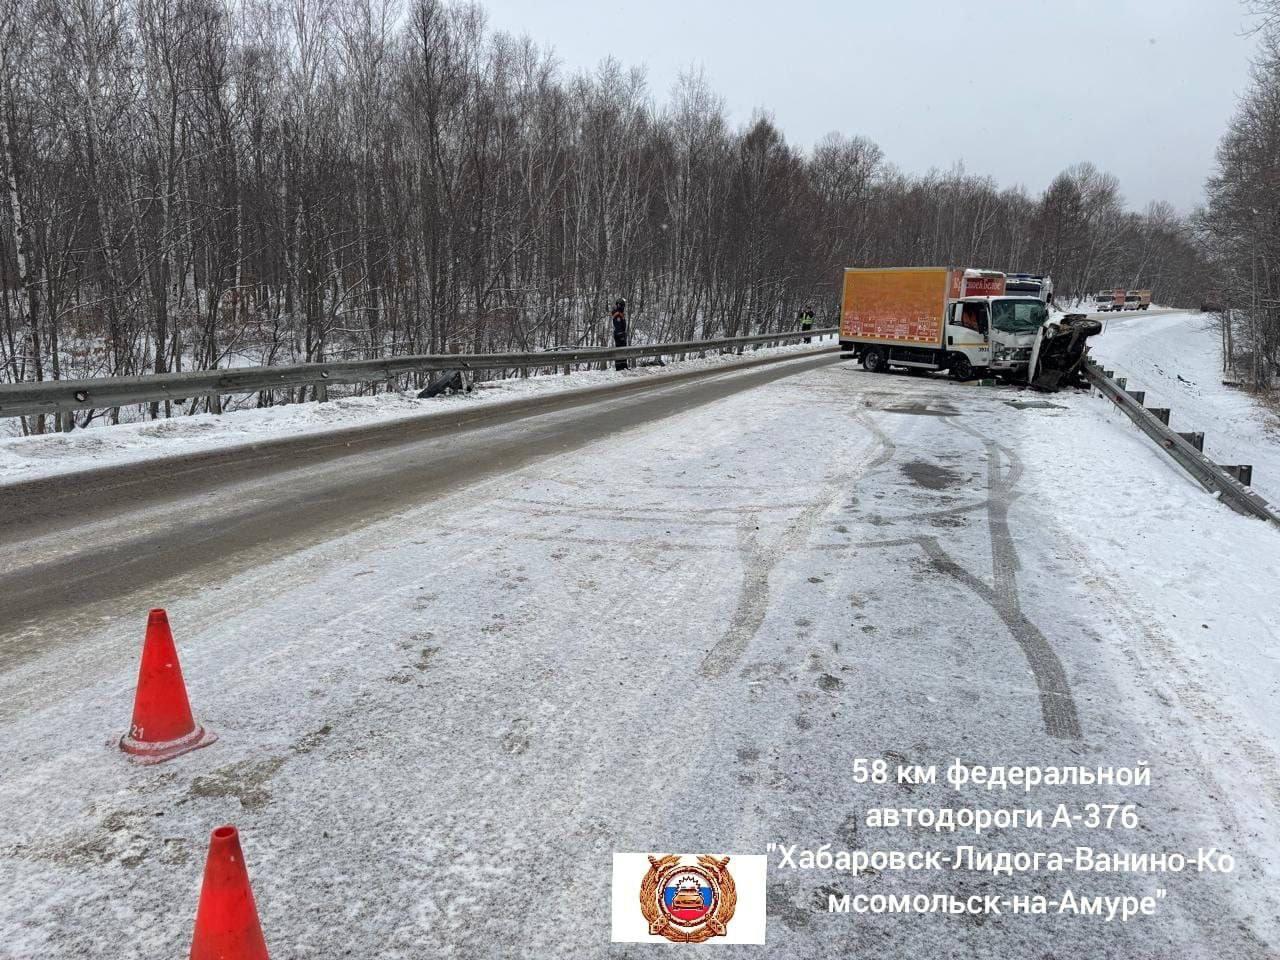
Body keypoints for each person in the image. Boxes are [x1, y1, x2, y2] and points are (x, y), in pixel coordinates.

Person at [611, 298, 628, 370]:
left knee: (623, 351)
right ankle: (619, 367)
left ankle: (624, 366)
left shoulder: (620, 314)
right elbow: (618, 326)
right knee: (619, 351)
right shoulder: (617, 315)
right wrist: (621, 335)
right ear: (620, 305)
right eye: (623, 306)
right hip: (619, 335)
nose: (623, 307)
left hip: (621, 334)